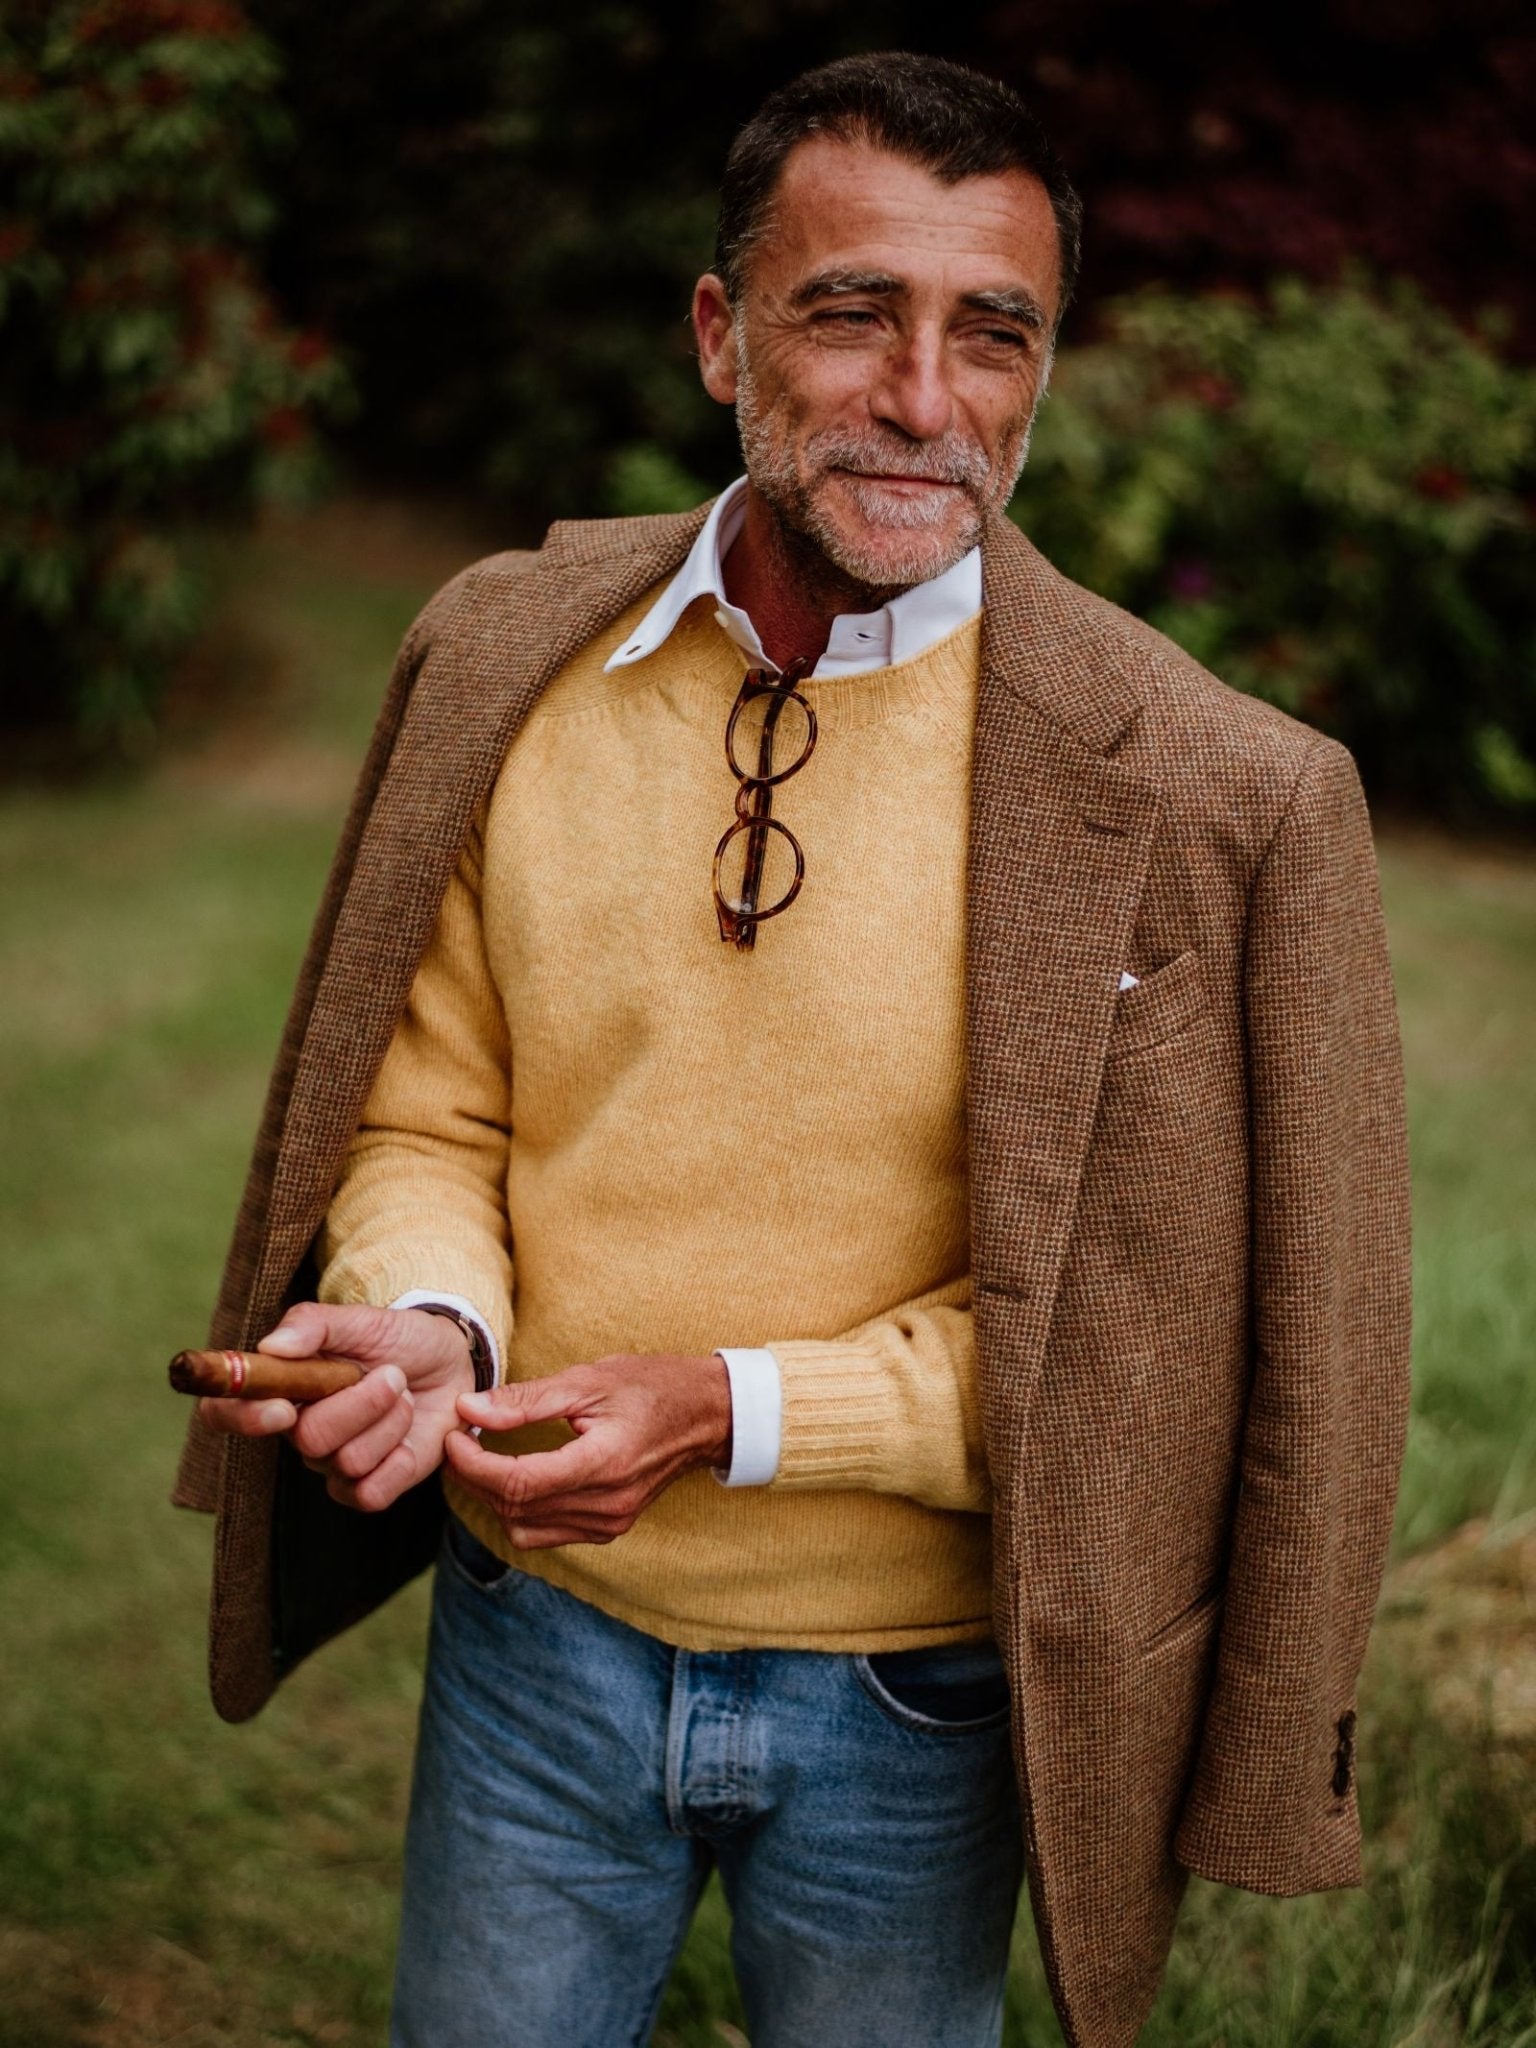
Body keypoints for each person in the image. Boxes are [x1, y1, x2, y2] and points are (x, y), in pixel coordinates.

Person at [175, 50, 1412, 2048]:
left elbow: (1137, 1350)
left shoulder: (1219, 798)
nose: (929, 398)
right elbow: (435, 1107)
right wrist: (428, 1316)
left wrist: (728, 1411)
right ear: (718, 330)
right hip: (528, 1642)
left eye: (992, 332)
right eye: (854, 312)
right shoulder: (516, 662)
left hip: (924, 1695)